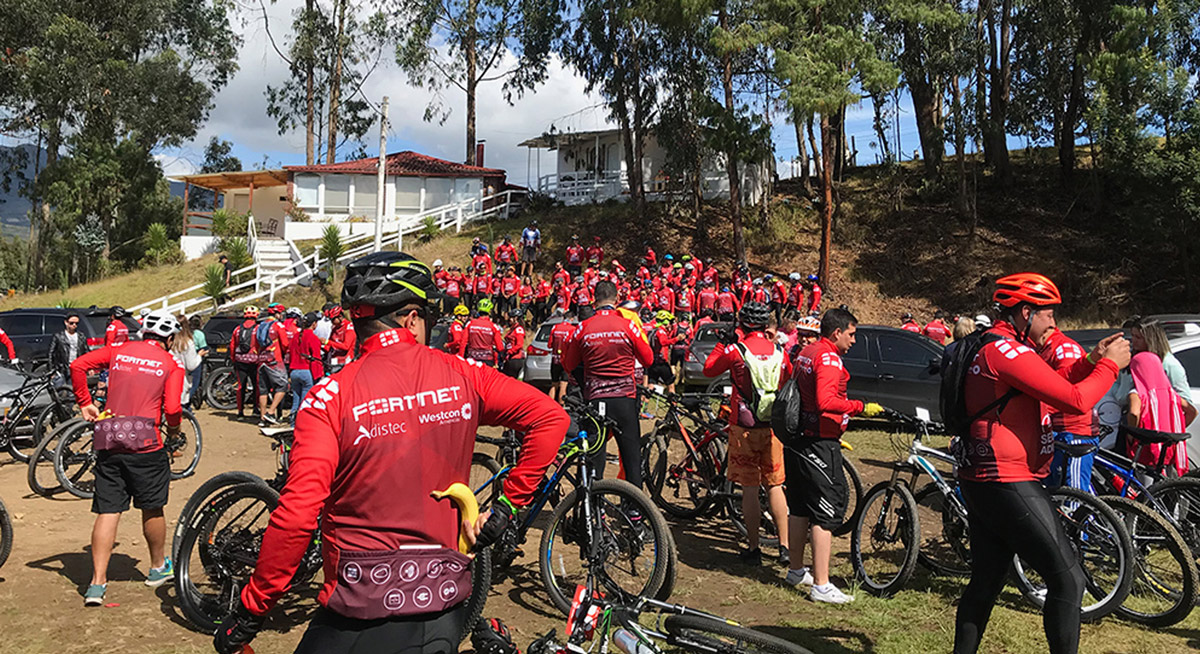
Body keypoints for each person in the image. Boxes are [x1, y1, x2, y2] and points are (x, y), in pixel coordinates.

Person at [213, 251, 568, 654]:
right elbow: (550, 419)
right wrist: (505, 508)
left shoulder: (328, 396)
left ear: (357, 322)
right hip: (445, 601)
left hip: (361, 608)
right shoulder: (464, 374)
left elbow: (297, 516)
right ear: (412, 319)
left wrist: (251, 610)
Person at [953, 273, 1129, 654]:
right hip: (1005, 477)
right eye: (1048, 314)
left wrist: (1091, 361)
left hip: (982, 476)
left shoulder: (996, 346)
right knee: (1068, 578)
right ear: (1025, 312)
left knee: (986, 581)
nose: (1054, 323)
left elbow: (1050, 382)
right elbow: (1076, 400)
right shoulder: (1007, 351)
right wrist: (1111, 367)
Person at [70, 310, 185, 607]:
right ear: (169, 339)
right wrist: (174, 432)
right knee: (152, 507)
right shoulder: (171, 363)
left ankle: (96, 583)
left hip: (110, 437)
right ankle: (158, 567)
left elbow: (79, 365)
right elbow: (172, 408)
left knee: (108, 510)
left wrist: (85, 402)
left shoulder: (120, 351)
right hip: (147, 443)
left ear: (143, 332)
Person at [787, 307, 883, 604]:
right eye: (852, 334)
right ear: (836, 332)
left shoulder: (808, 350)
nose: (854, 341)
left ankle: (795, 569)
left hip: (799, 438)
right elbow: (825, 400)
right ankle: (822, 584)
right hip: (818, 442)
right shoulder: (828, 357)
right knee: (825, 511)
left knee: (800, 507)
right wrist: (859, 407)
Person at [703, 302, 792, 566]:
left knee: (750, 488)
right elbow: (786, 381)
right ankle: (784, 546)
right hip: (773, 427)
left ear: (742, 325)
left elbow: (709, 369)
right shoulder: (779, 351)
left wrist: (723, 343)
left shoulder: (735, 350)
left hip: (743, 426)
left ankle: (754, 547)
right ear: (766, 326)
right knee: (775, 485)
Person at [562, 281, 654, 489]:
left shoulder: (582, 328)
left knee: (594, 457)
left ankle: (593, 511)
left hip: (596, 401)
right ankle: (636, 514)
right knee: (631, 458)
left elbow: (568, 365)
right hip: (625, 400)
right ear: (617, 300)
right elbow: (648, 359)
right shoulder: (629, 325)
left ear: (594, 301)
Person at [1127, 351, 1193, 475]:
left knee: (1147, 484)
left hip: (1148, 447)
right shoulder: (1171, 393)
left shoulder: (1138, 393)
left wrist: (1132, 434)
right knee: (1166, 479)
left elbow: (1134, 413)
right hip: (1169, 445)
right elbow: (1192, 412)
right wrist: (1178, 429)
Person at [256, 306, 292, 426]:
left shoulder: (260, 325)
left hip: (261, 360)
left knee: (263, 390)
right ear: (277, 314)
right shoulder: (278, 325)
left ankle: (262, 418)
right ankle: (271, 412)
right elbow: (285, 344)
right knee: (283, 385)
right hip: (274, 360)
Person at [287, 312, 324, 424]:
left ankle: (293, 423)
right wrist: (318, 375)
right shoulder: (313, 337)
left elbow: (291, 354)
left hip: (294, 370)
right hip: (306, 371)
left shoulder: (295, 336)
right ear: (314, 324)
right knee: (304, 401)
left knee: (296, 400)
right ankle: (302, 424)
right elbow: (316, 358)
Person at [229, 306, 263, 420]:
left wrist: (233, 359)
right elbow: (261, 344)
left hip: (240, 360)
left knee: (240, 386)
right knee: (256, 385)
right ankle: (255, 409)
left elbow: (232, 345)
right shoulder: (258, 328)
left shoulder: (237, 329)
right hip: (254, 361)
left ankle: (240, 412)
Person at [170, 314, 202, 406]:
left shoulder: (169, 341)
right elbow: (191, 366)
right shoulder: (188, 343)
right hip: (181, 379)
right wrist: (199, 356)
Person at [465, 298, 505, 367]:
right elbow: (499, 346)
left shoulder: (470, 324)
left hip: (472, 359)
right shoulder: (493, 326)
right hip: (487, 359)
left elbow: (463, 343)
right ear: (489, 312)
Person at [49, 313, 88, 382]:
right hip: (62, 369)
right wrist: (52, 370)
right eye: (71, 323)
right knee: (61, 390)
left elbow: (86, 352)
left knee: (73, 389)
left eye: (76, 323)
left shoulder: (81, 336)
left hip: (76, 367)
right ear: (66, 322)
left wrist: (89, 367)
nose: (74, 325)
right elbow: (51, 353)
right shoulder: (58, 336)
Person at [646, 311, 678, 394]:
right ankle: (673, 405)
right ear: (666, 322)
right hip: (662, 363)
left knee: (650, 387)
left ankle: (644, 405)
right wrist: (676, 339)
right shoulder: (661, 332)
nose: (671, 325)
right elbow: (663, 342)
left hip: (653, 363)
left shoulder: (653, 330)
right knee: (671, 386)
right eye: (670, 322)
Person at [549, 312, 578, 404]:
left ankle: (550, 404)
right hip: (565, 361)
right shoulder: (573, 329)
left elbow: (549, 345)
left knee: (554, 384)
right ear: (572, 319)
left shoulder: (555, 327)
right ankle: (561, 406)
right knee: (563, 385)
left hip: (554, 360)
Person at [326, 305, 356, 372]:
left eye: (333, 319)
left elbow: (346, 346)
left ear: (340, 316)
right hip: (334, 360)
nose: (332, 322)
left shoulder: (349, 327)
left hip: (346, 361)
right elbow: (330, 345)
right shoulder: (334, 329)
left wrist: (327, 342)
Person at [189, 316, 209, 410]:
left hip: (184, 358)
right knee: (196, 382)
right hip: (196, 357)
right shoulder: (199, 334)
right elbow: (203, 347)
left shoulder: (185, 333)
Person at [502, 311, 527, 379]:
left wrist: (510, 352)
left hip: (516, 359)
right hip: (510, 358)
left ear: (516, 318)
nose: (509, 319)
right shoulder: (512, 329)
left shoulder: (519, 329)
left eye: (511, 318)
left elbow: (519, 345)